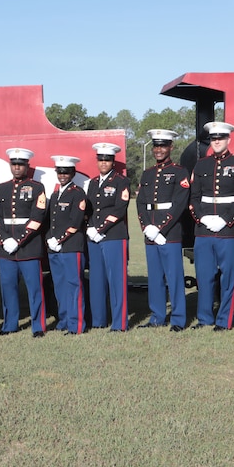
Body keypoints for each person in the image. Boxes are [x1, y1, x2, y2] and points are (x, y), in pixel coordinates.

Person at [189, 121, 234, 331]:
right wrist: (203, 218)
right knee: (204, 276)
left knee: (228, 278)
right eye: (213, 138)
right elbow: (194, 197)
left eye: (220, 138)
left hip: (228, 230)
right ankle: (205, 318)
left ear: (228, 139)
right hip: (204, 230)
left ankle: (224, 320)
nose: (216, 141)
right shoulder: (200, 165)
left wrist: (225, 220)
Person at [136, 130, 190, 332]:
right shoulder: (147, 173)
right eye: (156, 146)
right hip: (150, 233)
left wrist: (161, 229)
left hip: (170, 233)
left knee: (174, 277)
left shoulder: (179, 171)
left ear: (171, 147)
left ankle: (178, 319)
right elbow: (141, 202)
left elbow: (179, 204)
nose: (159, 150)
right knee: (155, 277)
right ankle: (157, 316)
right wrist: (147, 227)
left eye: (163, 146)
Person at [0, 147, 48, 337]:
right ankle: (10, 324)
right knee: (8, 288)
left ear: (27, 166)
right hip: (6, 250)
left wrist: (18, 240)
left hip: (29, 248)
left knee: (35, 290)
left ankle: (38, 326)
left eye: (20, 164)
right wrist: (4, 239)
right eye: (14, 164)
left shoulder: (37, 188)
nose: (17, 168)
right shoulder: (2, 188)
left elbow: (37, 217)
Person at [86, 142, 131, 332]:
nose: (104, 163)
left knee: (116, 281)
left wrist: (101, 228)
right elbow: (88, 209)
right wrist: (89, 227)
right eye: (101, 159)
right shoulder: (93, 182)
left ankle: (119, 323)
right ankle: (98, 320)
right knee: (96, 280)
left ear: (113, 162)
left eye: (108, 159)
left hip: (113, 235)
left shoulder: (121, 182)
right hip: (94, 238)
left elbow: (120, 208)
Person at [45, 155, 87, 335]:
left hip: (71, 247)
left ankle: (76, 324)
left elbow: (76, 221)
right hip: (54, 248)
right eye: (59, 172)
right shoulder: (55, 194)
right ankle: (63, 320)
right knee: (59, 285)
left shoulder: (77, 193)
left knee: (73, 285)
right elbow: (50, 222)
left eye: (66, 172)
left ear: (73, 173)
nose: (62, 175)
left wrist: (58, 239)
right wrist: (49, 239)